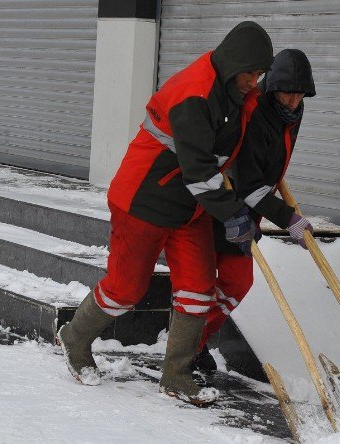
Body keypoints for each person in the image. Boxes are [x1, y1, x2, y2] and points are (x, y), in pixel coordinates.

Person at [57, 21, 273, 405]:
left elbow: (235, 151)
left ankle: (176, 374)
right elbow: (199, 171)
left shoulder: (237, 91)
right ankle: (74, 337)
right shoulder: (195, 93)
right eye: (252, 73)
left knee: (197, 289)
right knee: (126, 290)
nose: (255, 82)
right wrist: (233, 215)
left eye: (260, 75)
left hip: (189, 210)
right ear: (234, 64)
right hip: (144, 200)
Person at [192, 49, 317, 372]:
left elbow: (268, 162)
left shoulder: (292, 113)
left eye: (299, 95)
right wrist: (288, 218)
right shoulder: (258, 112)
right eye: (287, 94)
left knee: (236, 283)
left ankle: (194, 340)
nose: (292, 101)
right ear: (273, 87)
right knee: (209, 280)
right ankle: (187, 345)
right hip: (224, 201)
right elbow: (249, 183)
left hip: (250, 204)